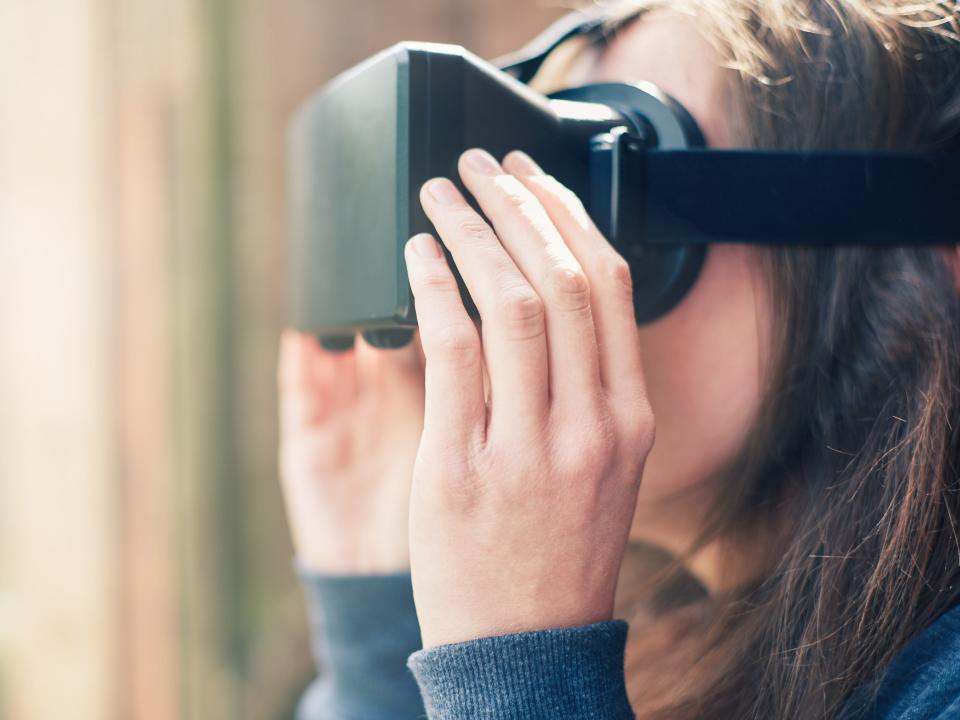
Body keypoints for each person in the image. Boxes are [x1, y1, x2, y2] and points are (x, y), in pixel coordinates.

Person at [277, 1, 960, 718]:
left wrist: (521, 670)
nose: (557, 269)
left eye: (614, 179)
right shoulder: (683, 667)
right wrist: (379, 651)